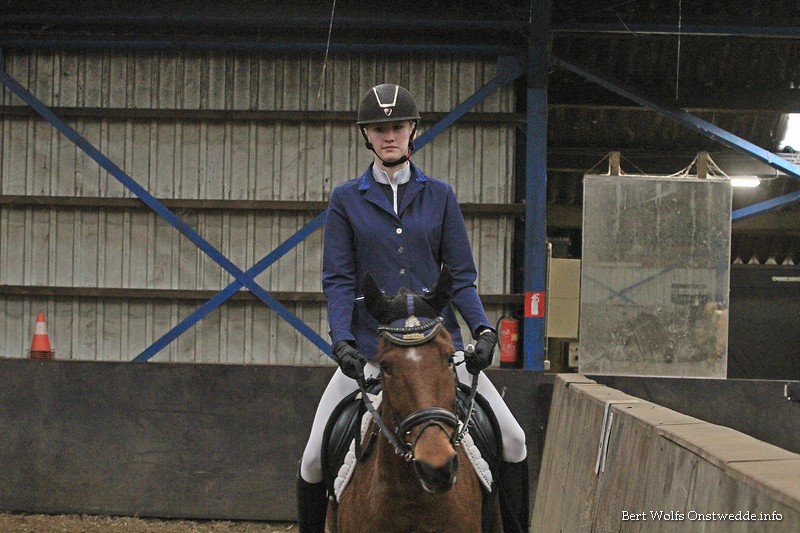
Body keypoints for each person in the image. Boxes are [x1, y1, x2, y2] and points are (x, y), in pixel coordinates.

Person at [297, 83, 530, 533]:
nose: (389, 136)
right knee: (311, 460)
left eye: (398, 127)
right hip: (373, 354)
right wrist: (342, 340)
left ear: (412, 131)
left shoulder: (440, 196)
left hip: (438, 353)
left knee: (515, 440)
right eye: (378, 128)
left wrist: (483, 331)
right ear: (366, 135)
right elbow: (339, 280)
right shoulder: (346, 199)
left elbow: (460, 277)